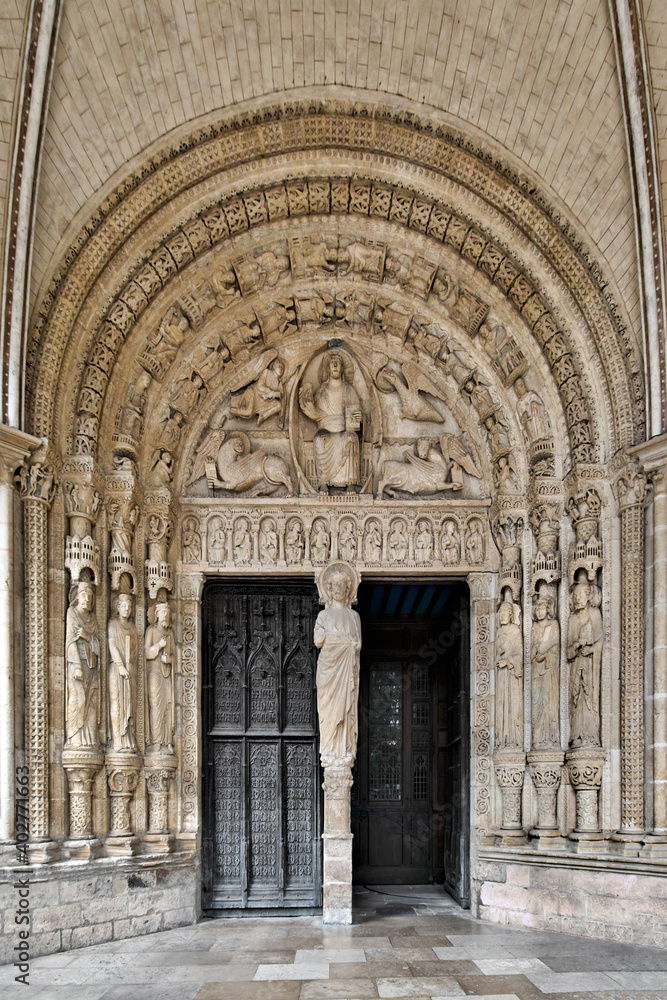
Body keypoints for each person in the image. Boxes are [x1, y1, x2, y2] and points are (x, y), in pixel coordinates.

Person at [314, 568, 362, 767]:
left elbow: (357, 645)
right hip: (329, 672)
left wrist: (341, 642)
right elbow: (318, 640)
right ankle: (330, 750)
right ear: (330, 589)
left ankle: (343, 750)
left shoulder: (354, 617)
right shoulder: (323, 616)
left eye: (343, 585)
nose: (339, 589)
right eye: (335, 585)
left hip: (346, 673)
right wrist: (343, 642)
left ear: (348, 589)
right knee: (329, 714)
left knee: (345, 712)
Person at [299, 350, 362, 490]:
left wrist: (359, 417)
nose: (334, 365)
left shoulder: (349, 390)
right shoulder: (322, 390)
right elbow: (317, 414)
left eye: (337, 363)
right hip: (326, 428)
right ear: (327, 368)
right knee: (319, 440)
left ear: (342, 368)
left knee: (351, 438)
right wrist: (307, 406)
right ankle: (323, 482)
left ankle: (350, 483)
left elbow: (357, 414)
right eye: (332, 363)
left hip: (344, 429)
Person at [65, 581, 101, 749]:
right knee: (78, 699)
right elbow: (70, 641)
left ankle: (90, 738)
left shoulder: (92, 619)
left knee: (91, 701)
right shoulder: (72, 613)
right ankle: (75, 737)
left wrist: (87, 636)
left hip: (91, 666)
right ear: (77, 597)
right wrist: (77, 665)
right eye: (84, 595)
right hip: (76, 665)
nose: (87, 599)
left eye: (90, 596)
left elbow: (99, 646)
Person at [108, 593, 138, 752]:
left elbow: (135, 649)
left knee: (129, 706)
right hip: (117, 669)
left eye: (129, 606)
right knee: (117, 702)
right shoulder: (113, 624)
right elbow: (112, 644)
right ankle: (117, 741)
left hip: (130, 669)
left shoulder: (132, 627)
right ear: (117, 607)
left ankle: (129, 738)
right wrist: (120, 665)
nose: (127, 609)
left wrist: (129, 664)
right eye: (124, 606)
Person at [145, 602, 175, 751]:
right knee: (156, 704)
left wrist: (169, 660)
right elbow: (146, 653)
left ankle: (167, 741)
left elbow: (177, 657)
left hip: (166, 673)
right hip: (154, 672)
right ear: (157, 614)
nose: (165, 616)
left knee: (167, 706)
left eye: (167, 613)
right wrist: (159, 646)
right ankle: (156, 741)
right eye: (163, 613)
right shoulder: (151, 631)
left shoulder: (170, 634)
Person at [531, 597, 561, 749]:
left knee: (548, 702)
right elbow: (529, 650)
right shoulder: (534, 628)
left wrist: (546, 655)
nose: (539, 611)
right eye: (537, 609)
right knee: (536, 702)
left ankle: (549, 738)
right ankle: (537, 737)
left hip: (549, 670)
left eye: (542, 608)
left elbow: (556, 648)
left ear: (548, 610)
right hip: (536, 671)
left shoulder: (553, 625)